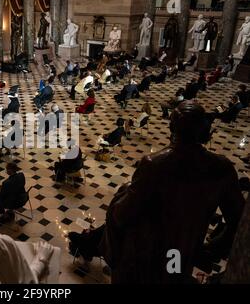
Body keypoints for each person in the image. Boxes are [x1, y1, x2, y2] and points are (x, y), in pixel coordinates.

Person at [99, 101, 245, 283]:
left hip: (143, 256)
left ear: (172, 127)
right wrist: (211, 249)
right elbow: (239, 222)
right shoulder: (222, 167)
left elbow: (121, 215)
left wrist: (124, 192)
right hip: (179, 256)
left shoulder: (154, 164)